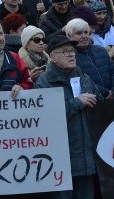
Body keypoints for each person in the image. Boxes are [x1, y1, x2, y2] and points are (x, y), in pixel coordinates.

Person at [34, 34, 101, 199]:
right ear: (53, 57)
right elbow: (45, 118)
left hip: (86, 158)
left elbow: (100, 103)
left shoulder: (84, 77)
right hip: (60, 162)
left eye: (72, 51)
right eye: (65, 52)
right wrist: (77, 103)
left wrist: (96, 99)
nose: (71, 54)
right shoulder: (44, 83)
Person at [65, 17, 114, 98]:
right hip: (92, 102)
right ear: (69, 36)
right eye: (79, 33)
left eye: (86, 32)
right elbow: (80, 82)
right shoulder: (69, 57)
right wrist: (106, 93)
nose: (84, 36)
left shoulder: (100, 50)